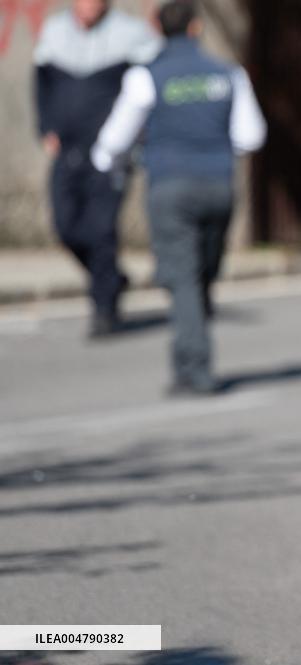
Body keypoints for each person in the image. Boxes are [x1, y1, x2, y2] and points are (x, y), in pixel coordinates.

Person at [91, 0, 267, 395]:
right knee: (202, 273)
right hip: (219, 187)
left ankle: (195, 369)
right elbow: (251, 136)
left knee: (183, 278)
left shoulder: (146, 76)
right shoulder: (228, 74)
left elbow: (114, 139)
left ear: (158, 29)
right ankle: (192, 349)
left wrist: (108, 162)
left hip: (170, 188)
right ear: (195, 28)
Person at [33, 0, 161, 336]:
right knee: (66, 225)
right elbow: (42, 82)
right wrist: (45, 126)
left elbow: (153, 84)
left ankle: (105, 309)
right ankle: (111, 278)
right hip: (69, 150)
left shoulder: (132, 36)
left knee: (102, 229)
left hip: (111, 154)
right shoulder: (54, 32)